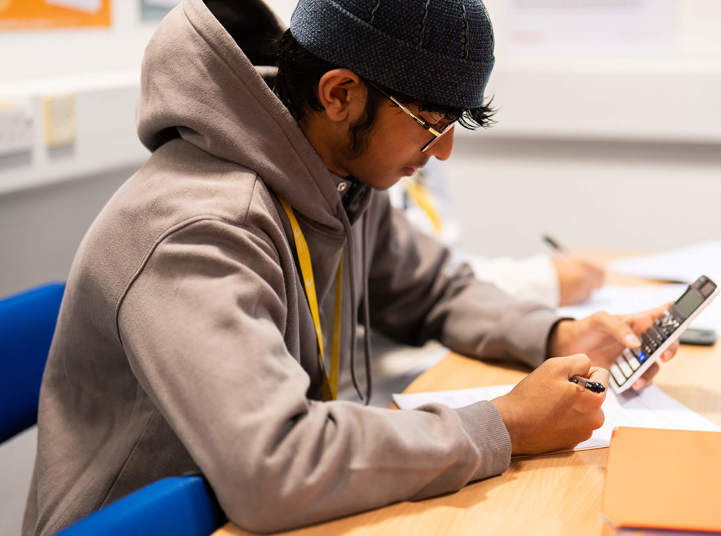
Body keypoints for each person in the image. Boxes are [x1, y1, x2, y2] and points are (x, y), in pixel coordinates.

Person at [23, 0, 678, 534]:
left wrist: (558, 335)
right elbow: (273, 466)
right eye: (431, 124)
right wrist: (504, 424)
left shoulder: (334, 175)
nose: (443, 152)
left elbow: (435, 289)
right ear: (340, 94)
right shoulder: (198, 232)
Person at [390, 159, 606, 307]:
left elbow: (445, 257)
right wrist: (543, 281)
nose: (445, 149)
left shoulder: (428, 157)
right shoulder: (374, 179)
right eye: (427, 122)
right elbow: (414, 280)